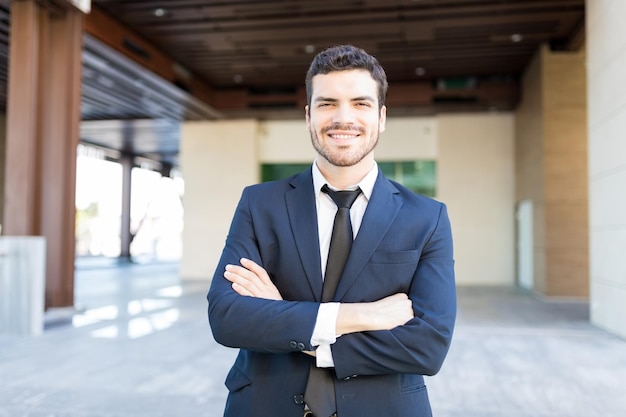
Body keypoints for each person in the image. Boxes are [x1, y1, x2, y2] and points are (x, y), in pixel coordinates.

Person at [207, 44, 456, 417]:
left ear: (381, 116)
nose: (343, 118)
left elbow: (428, 346)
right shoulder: (260, 204)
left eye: (360, 103)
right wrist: (362, 316)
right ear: (308, 115)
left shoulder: (427, 217)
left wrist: (285, 316)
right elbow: (228, 317)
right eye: (327, 103)